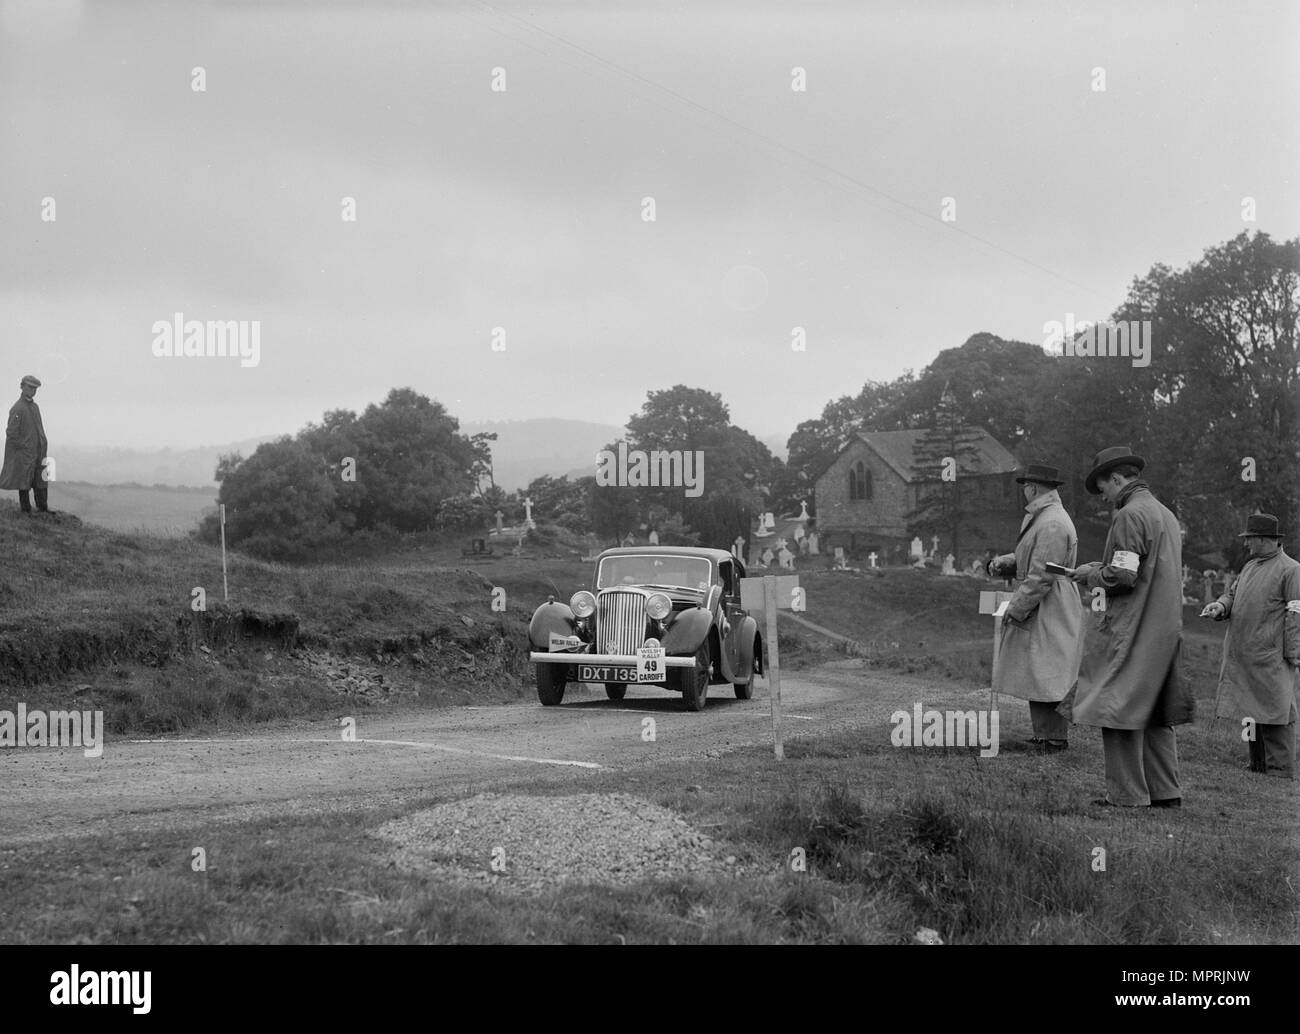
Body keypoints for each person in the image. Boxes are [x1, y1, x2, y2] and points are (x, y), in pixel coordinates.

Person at [1067, 446, 1193, 807]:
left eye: (1103, 487)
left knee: (1116, 708)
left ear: (1118, 479)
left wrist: (1092, 574)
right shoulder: (1164, 514)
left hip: (1132, 630)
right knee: (1156, 712)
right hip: (1164, 630)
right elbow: (1143, 567)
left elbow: (1123, 576)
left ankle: (1127, 796)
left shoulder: (1129, 514)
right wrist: (1102, 566)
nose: (1103, 496)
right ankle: (1166, 792)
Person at [989, 464, 1084, 751]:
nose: (1024, 492)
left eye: (1025, 487)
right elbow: (1035, 557)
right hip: (1046, 600)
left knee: (1050, 670)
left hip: (1050, 603)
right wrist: (1008, 561)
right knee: (1038, 669)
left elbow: (1043, 574)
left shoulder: (1052, 522)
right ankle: (1044, 734)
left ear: (1033, 488)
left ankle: (1055, 738)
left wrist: (1015, 608)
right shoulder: (1044, 517)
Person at [1201, 513, 1300, 779]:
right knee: (1252, 710)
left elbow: (1296, 613)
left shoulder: (1291, 569)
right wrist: (1220, 606)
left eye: (1250, 539)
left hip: (1272, 656)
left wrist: (1292, 653)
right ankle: (1258, 765)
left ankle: (1280, 770)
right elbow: (1232, 594)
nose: (1246, 545)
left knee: (1277, 712)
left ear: (1264, 539)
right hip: (1246, 654)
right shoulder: (1250, 566)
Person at [0, 374, 49, 514]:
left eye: (35, 388)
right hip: (26, 454)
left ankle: (43, 508)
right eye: (29, 387)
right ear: (22, 387)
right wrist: (25, 447)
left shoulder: (35, 407)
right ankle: (26, 510)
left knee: (41, 479)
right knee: (24, 481)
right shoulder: (17, 408)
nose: (32, 390)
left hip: (39, 451)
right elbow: (11, 433)